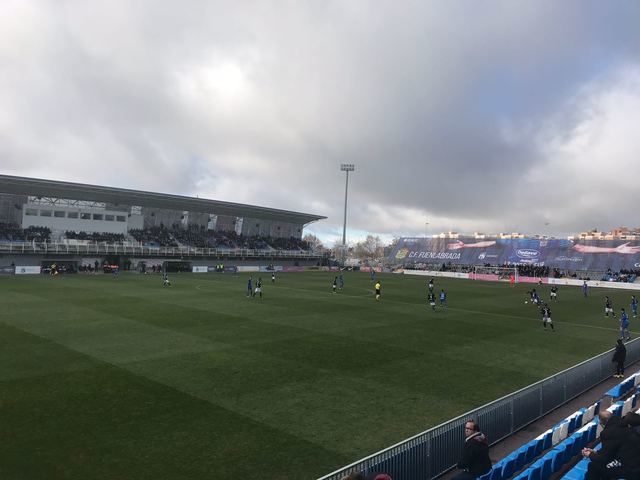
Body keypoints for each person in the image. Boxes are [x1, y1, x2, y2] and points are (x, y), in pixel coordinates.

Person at [581, 410, 640, 479]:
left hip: (633, 469)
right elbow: (614, 447)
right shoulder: (623, 425)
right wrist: (596, 452)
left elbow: (604, 458)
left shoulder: (608, 433)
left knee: (593, 466)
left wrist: (589, 454)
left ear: (602, 423)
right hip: (634, 462)